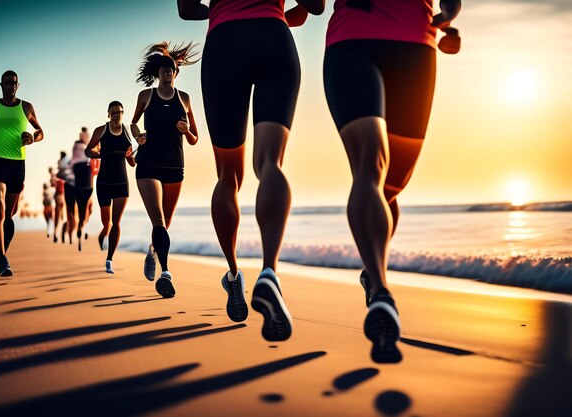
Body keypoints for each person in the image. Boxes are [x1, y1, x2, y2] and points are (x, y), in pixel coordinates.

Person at [321, 0, 461, 362]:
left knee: (392, 185)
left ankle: (372, 273)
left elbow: (451, 3)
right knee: (371, 161)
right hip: (352, 42)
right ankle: (383, 294)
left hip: (415, 47)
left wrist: (446, 22)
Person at [177, 0, 324, 340]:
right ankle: (269, 272)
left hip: (225, 40)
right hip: (274, 36)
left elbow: (186, 9)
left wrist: (216, 11)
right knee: (270, 163)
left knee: (228, 177)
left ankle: (233, 275)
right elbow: (314, 7)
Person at [130, 42, 199, 298]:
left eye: (171, 69)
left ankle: (152, 251)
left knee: (165, 223)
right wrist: (138, 136)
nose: (167, 72)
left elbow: (195, 138)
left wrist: (187, 131)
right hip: (147, 163)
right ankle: (166, 273)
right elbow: (133, 124)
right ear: (158, 73)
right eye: (163, 69)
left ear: (176, 73)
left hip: (174, 165)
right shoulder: (146, 96)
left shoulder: (185, 99)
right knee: (158, 220)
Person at [0, 70, 44, 276]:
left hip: (17, 164)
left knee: (9, 216)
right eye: (6, 83)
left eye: (13, 83)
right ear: (1, 85)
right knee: (2, 211)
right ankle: (2, 259)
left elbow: (40, 132)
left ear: (18, 85)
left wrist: (32, 138)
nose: (10, 86)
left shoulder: (26, 107)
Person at [86, 101, 135, 274]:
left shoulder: (127, 133)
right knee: (106, 222)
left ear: (123, 113)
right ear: (108, 114)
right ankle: (103, 232)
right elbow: (87, 151)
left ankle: (109, 259)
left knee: (116, 222)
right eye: (113, 112)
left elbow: (132, 162)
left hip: (122, 182)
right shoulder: (101, 130)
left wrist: (131, 156)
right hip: (104, 182)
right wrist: (99, 154)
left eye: (119, 112)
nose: (116, 114)